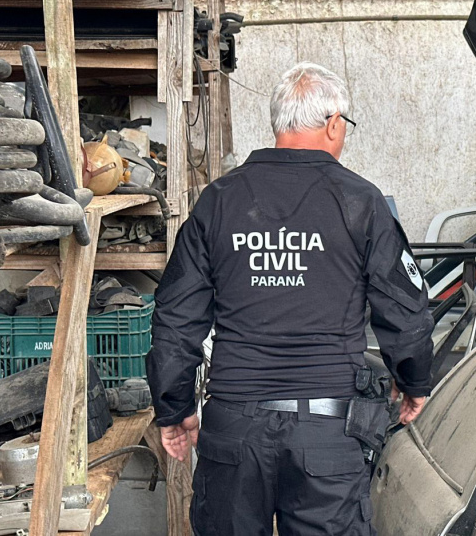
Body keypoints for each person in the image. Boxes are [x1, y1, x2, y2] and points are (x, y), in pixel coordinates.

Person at [146, 62, 434, 536]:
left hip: (233, 430)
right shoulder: (361, 202)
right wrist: (414, 380)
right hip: (327, 436)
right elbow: (403, 309)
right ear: (334, 124)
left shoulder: (218, 201)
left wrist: (174, 408)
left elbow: (176, 318)